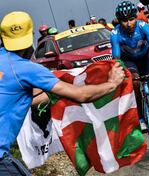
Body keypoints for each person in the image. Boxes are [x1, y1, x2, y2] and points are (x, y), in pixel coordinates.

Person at [0, 11, 125, 175]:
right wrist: (112, 83)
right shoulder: (26, 68)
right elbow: (81, 95)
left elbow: (19, 99)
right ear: (30, 38)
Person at [110, 1, 149, 136]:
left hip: (145, 58)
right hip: (129, 61)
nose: (129, 23)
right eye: (124, 21)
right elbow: (116, 58)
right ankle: (141, 118)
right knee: (136, 83)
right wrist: (120, 74)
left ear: (136, 18)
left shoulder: (143, 26)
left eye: (131, 19)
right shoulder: (115, 33)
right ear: (119, 21)